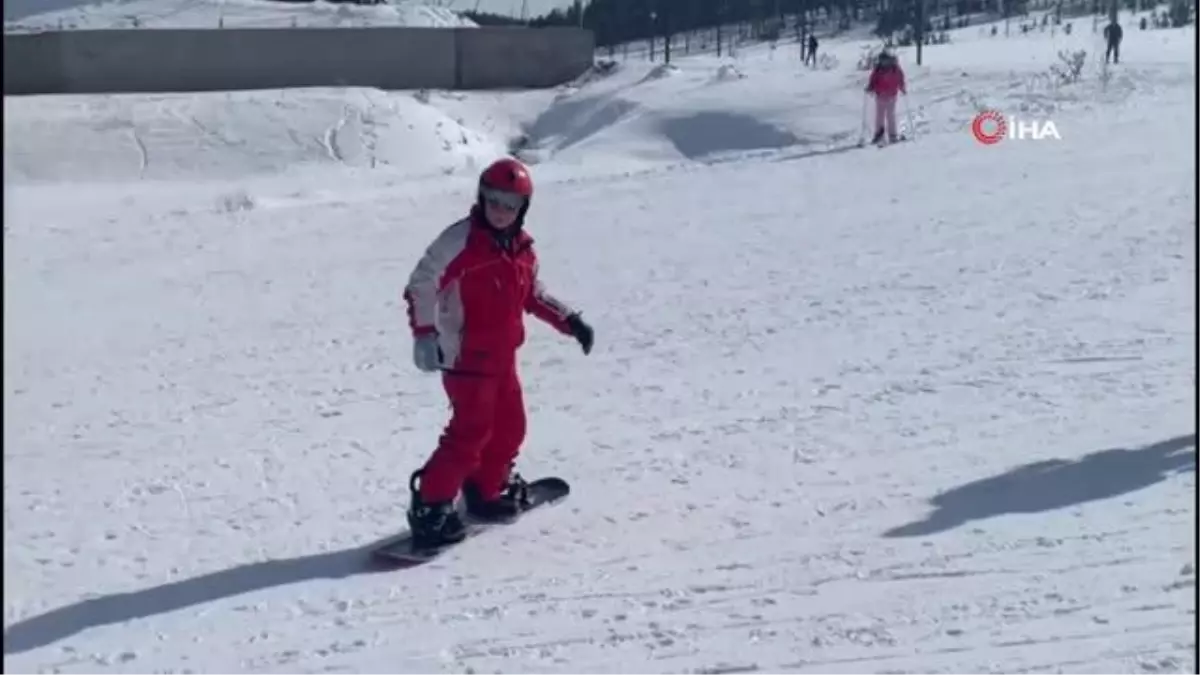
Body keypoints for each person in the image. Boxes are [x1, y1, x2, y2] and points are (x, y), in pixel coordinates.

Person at [401, 157, 595, 550]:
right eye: (494, 201)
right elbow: (422, 283)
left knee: (511, 428)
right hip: (466, 358)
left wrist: (569, 320)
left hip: (503, 357)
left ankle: (486, 490)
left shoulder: (521, 248)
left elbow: (532, 294)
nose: (501, 211)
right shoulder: (461, 241)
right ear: (481, 198)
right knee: (470, 434)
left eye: (511, 204)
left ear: (523, 208)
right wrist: (424, 333)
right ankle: (431, 508)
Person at [864, 52, 907, 144]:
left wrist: (902, 87)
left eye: (885, 60)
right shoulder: (878, 69)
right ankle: (879, 133)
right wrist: (870, 87)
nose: (883, 62)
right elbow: (873, 80)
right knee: (879, 116)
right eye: (881, 60)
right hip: (880, 95)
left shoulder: (895, 69)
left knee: (890, 115)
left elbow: (900, 78)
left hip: (892, 95)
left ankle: (892, 134)